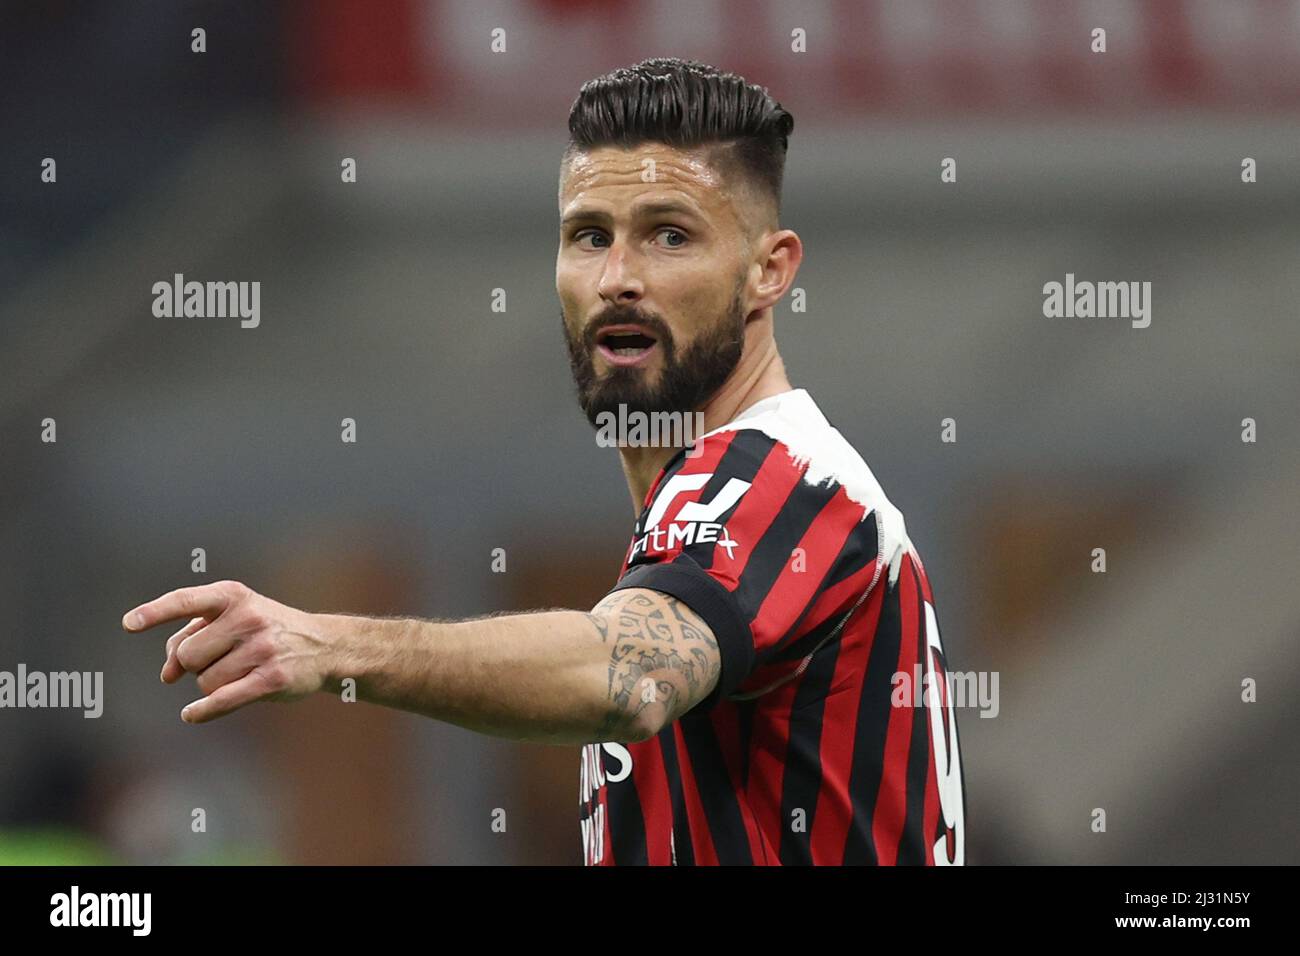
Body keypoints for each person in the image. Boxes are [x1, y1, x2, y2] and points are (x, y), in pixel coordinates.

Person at [123, 57, 965, 866]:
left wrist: (330, 646)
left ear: (767, 271)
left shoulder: (780, 482)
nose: (617, 278)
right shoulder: (696, 514)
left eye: (670, 236)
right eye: (589, 237)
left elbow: (625, 676)